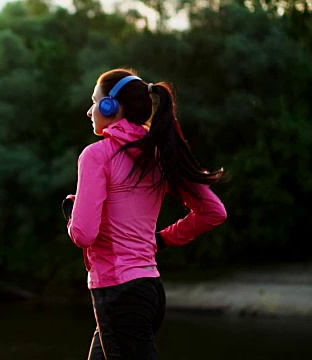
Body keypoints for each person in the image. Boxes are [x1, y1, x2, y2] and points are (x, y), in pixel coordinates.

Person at [62, 67, 227, 359]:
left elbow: (84, 234)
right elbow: (213, 211)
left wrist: (74, 215)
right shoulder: (160, 154)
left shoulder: (97, 155)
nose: (89, 111)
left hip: (118, 294)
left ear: (110, 106)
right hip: (148, 291)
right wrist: (163, 239)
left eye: (94, 101)